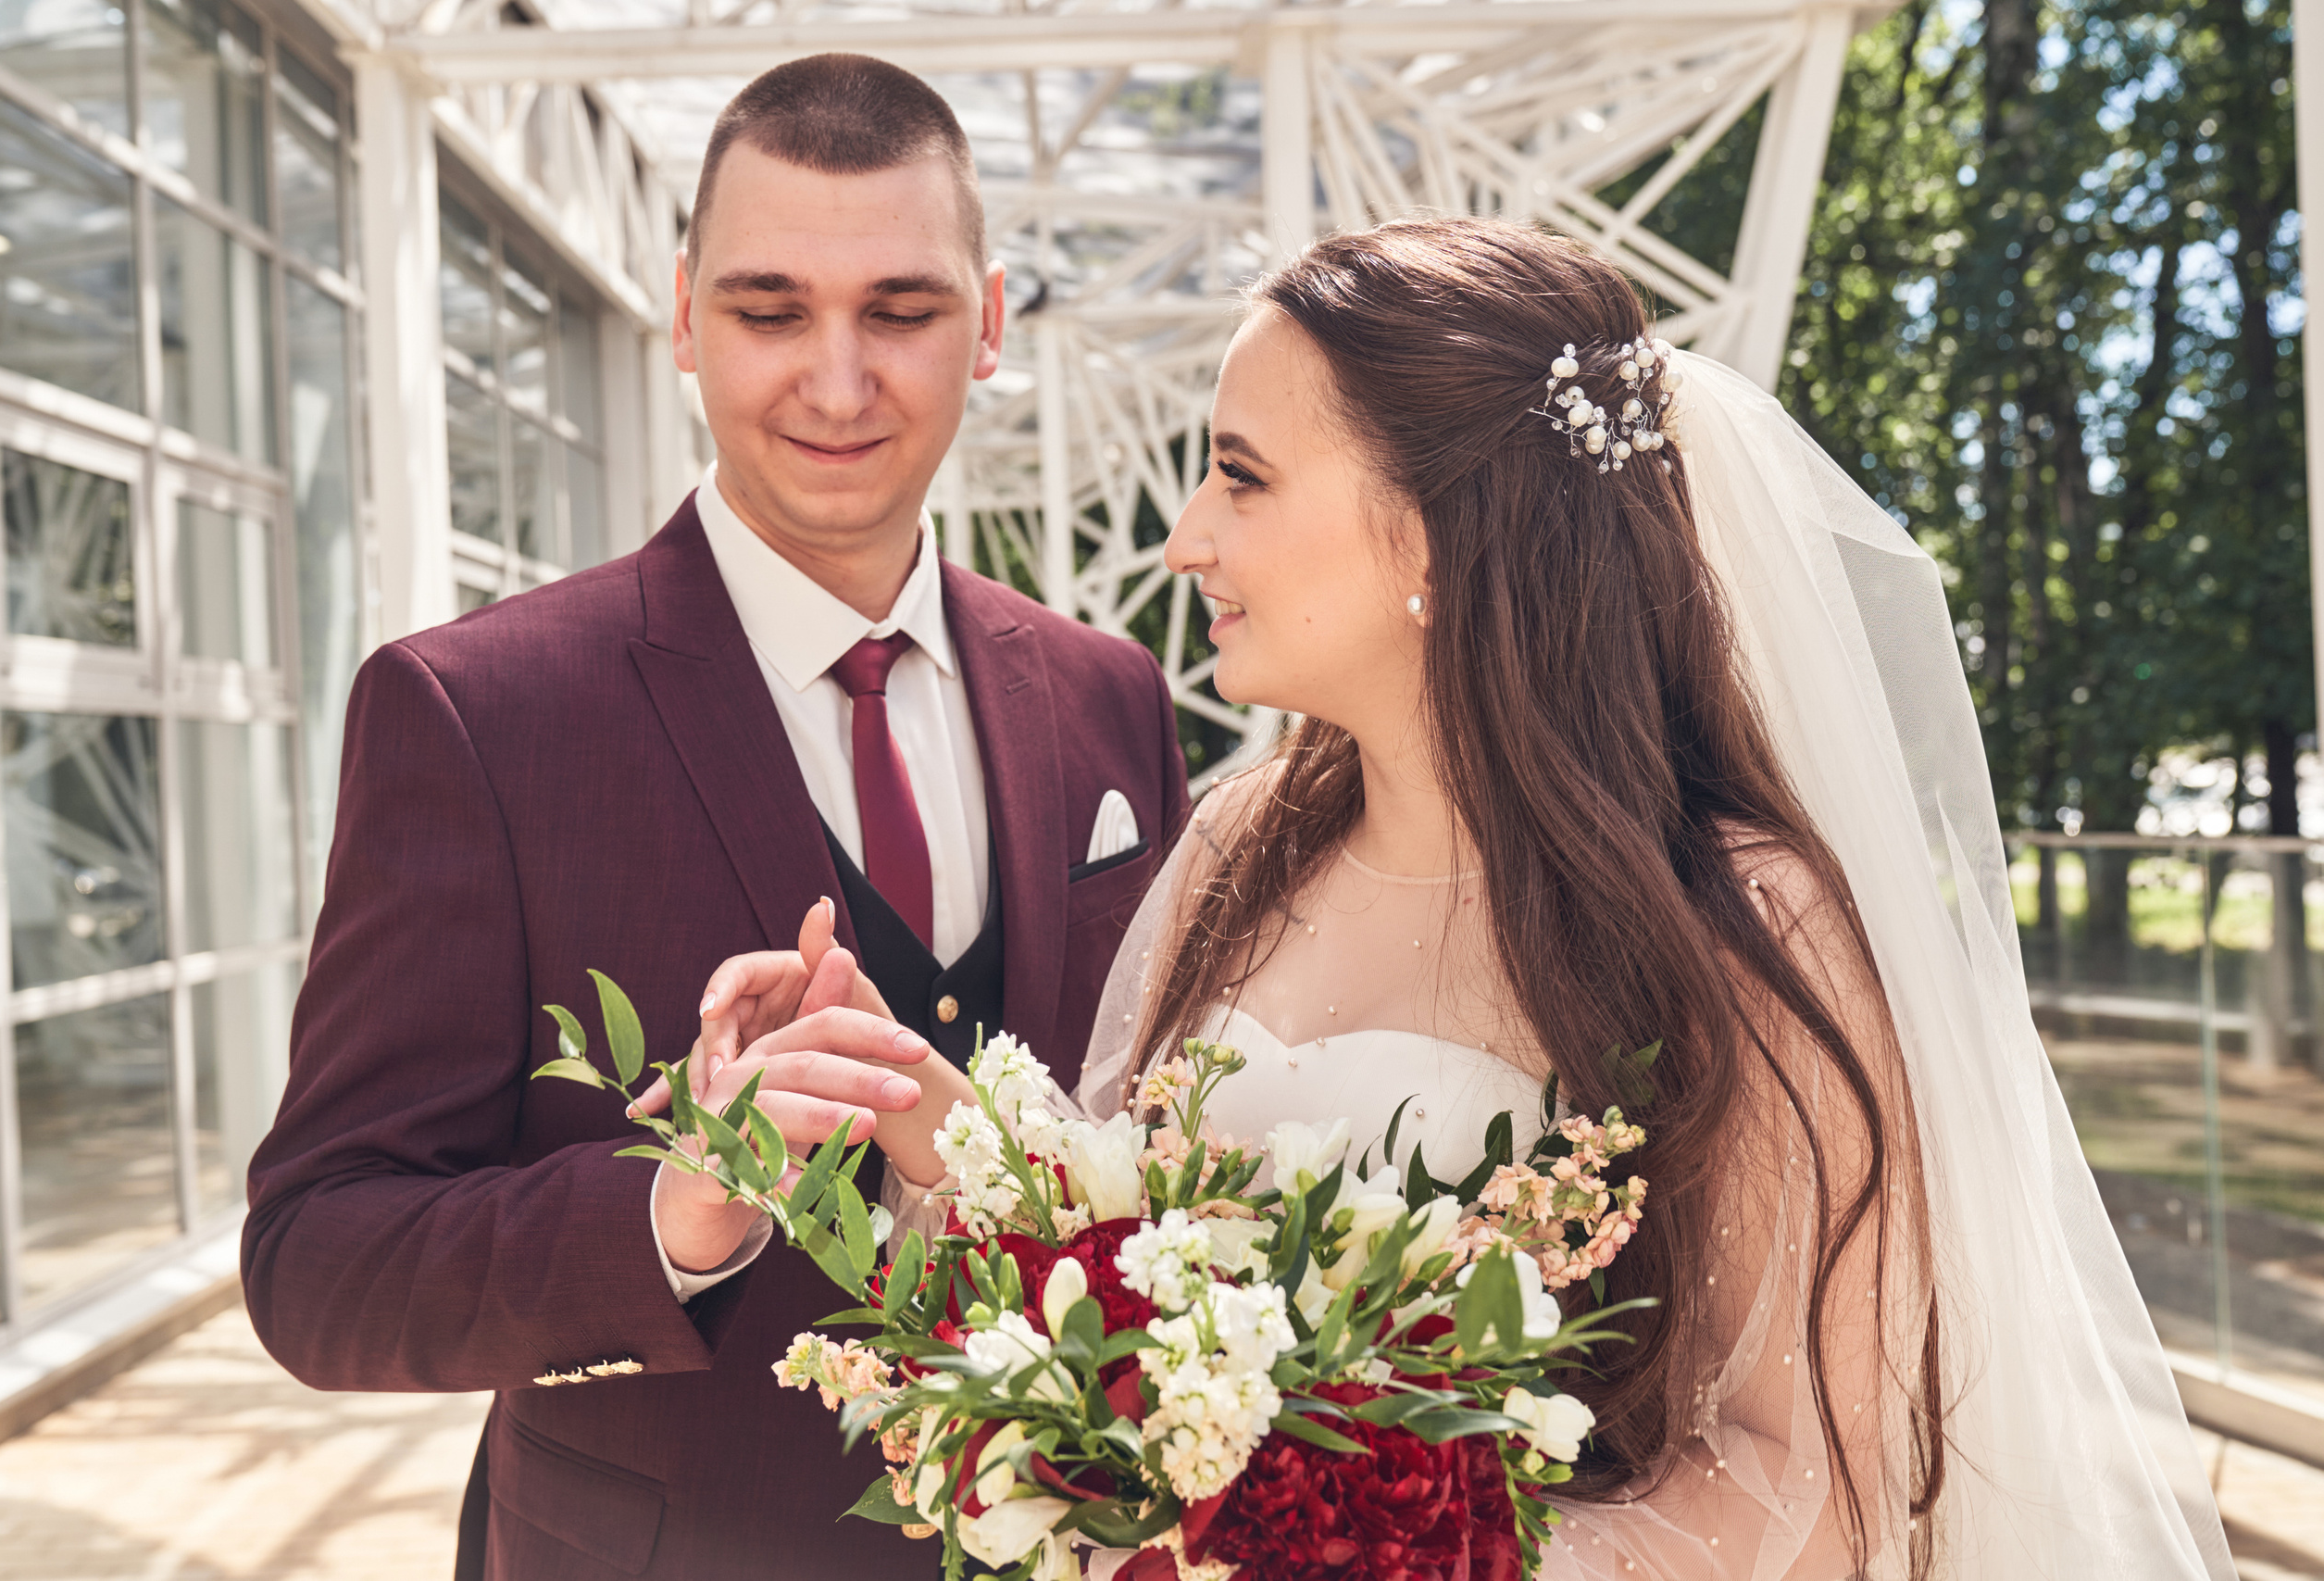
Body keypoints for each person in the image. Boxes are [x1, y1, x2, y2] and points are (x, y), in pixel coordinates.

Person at [709, 215, 2237, 1576]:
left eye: (1243, 475)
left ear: (1439, 530)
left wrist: (1393, 1560)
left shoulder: (1749, 929)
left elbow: (1819, 1485)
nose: (1187, 541)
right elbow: (1127, 1269)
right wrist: (915, 1103)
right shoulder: (1240, 848)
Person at [241, 54, 1188, 1581]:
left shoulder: (1109, 695)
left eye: (901, 310)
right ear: (683, 316)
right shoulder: (475, 712)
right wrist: (672, 1211)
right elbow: (317, 1263)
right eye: (769, 311)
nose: (837, 381)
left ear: (990, 322)